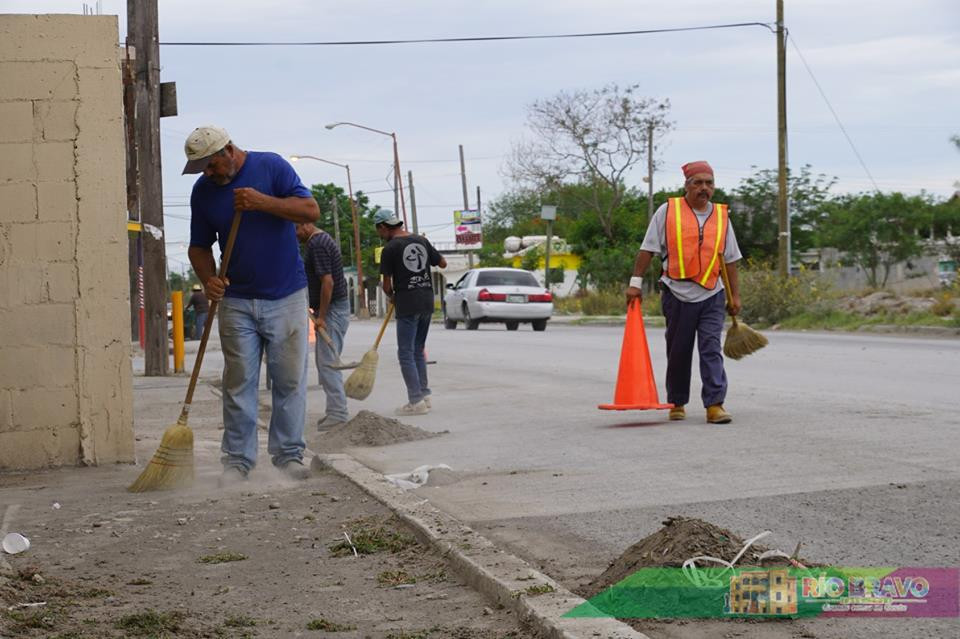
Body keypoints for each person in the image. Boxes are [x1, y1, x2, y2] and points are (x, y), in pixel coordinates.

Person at [184, 125, 320, 484]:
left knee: (288, 380)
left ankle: (288, 456)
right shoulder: (203, 192)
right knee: (239, 381)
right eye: (201, 169)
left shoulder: (271, 167)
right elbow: (198, 246)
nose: (208, 174)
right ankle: (238, 461)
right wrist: (208, 279)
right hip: (236, 299)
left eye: (211, 165)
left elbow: (310, 210)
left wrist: (262, 202)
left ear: (229, 150)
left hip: (286, 294)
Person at [626, 160, 742, 424]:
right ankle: (677, 401)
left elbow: (731, 260)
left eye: (709, 183)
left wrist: (735, 296)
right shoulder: (668, 211)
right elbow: (648, 249)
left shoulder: (722, 216)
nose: (704, 188)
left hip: (712, 293)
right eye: (698, 183)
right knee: (678, 350)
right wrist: (635, 283)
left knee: (711, 348)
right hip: (676, 292)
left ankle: (715, 404)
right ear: (686, 185)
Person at [375, 209, 447, 416]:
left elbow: (386, 285)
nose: (379, 234)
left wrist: (391, 295)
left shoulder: (390, 248)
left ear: (383, 226)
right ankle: (424, 395)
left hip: (407, 302)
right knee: (418, 349)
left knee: (405, 352)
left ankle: (415, 401)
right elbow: (443, 263)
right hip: (426, 299)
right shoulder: (421, 240)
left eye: (379, 230)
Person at [296, 221, 351, 431]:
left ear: (306, 224)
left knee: (328, 363)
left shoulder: (317, 244)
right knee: (326, 362)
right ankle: (334, 411)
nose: (296, 235)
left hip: (333, 310)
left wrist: (322, 316)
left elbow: (328, 282)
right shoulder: (319, 241)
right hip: (333, 308)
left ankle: (338, 413)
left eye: (296, 229)